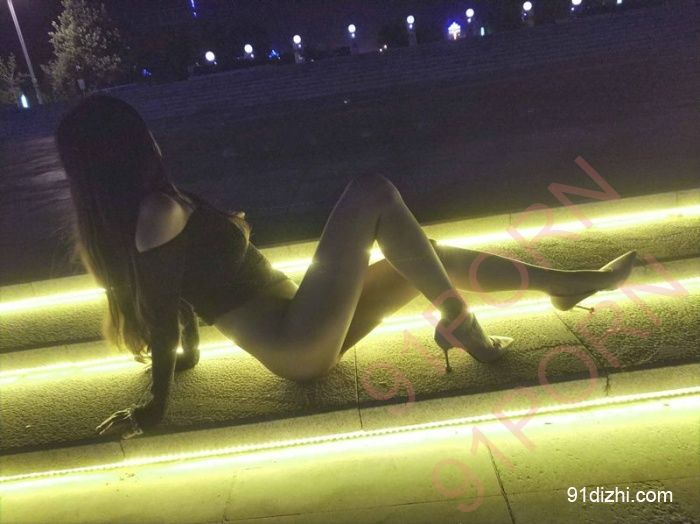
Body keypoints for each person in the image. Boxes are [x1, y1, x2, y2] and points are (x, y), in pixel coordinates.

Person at [54, 95, 636, 439]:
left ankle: (567, 286)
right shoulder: (157, 213)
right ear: (124, 150)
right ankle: (462, 321)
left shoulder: (157, 205)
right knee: (371, 191)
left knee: (421, 254)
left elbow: (177, 295)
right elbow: (163, 316)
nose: (153, 139)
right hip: (296, 340)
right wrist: (154, 407)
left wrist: (189, 359)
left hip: (305, 319)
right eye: (140, 134)